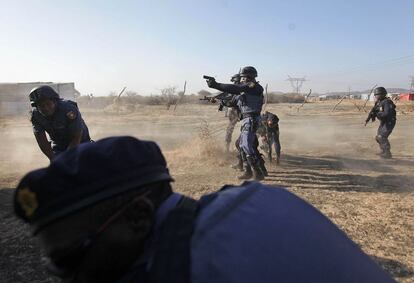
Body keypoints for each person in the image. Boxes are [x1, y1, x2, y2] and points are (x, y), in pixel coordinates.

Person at [14, 136, 394, 283]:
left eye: (67, 262)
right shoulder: (264, 201)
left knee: (250, 146)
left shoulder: (197, 266)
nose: (65, 279)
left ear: (139, 216)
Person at [206, 66, 266, 180]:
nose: (241, 79)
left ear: (249, 77)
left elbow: (235, 88)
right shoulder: (246, 90)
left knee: (247, 145)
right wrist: (217, 100)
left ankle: (258, 173)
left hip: (251, 119)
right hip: (246, 120)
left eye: (243, 77)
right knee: (242, 145)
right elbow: (231, 102)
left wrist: (216, 84)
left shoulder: (254, 86)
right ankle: (249, 172)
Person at [29, 85, 91, 161]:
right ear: (37, 107)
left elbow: (76, 136)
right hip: (58, 145)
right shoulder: (36, 116)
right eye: (42, 106)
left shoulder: (68, 109)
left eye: (48, 104)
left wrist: (67, 158)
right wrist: (53, 159)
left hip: (81, 142)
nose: (46, 108)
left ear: (55, 102)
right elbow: (41, 140)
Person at [372, 87, 397, 159]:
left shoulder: (387, 102)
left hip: (389, 122)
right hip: (384, 122)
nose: (376, 96)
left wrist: (378, 114)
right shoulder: (380, 102)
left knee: (382, 137)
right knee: (378, 137)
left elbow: (387, 113)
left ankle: (387, 153)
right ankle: (383, 151)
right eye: (375, 95)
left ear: (382, 94)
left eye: (377, 94)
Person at [225, 74, 241, 152]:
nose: (235, 83)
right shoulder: (232, 90)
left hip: (242, 111)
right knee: (229, 129)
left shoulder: (244, 89)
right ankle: (227, 148)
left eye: (235, 82)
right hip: (235, 111)